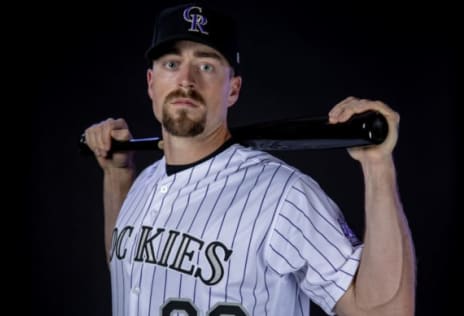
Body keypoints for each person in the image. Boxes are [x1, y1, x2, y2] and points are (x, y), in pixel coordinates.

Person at [83, 2, 416, 315]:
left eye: (206, 65)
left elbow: (388, 311)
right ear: (151, 83)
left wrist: (377, 166)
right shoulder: (143, 182)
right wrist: (117, 175)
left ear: (233, 89)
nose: (186, 80)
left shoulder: (285, 196)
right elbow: (127, 266)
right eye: (172, 64)